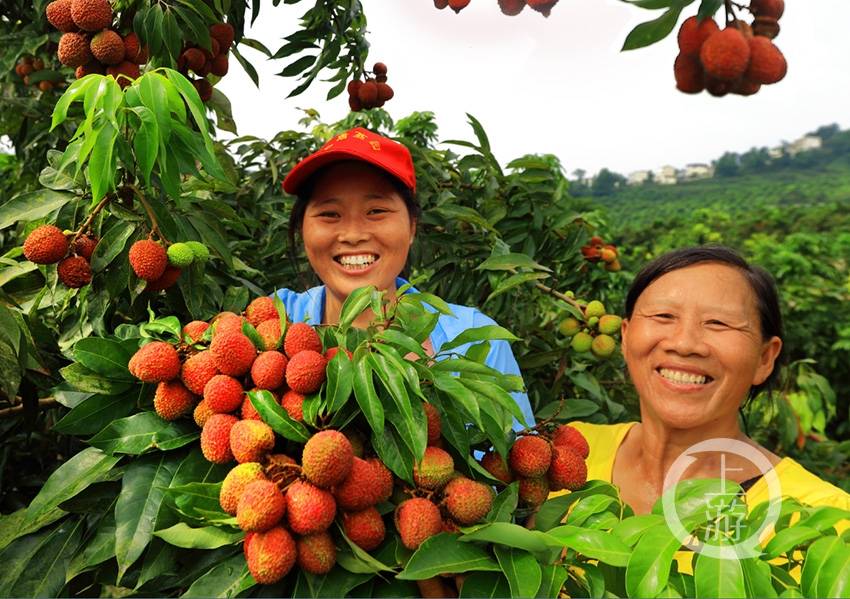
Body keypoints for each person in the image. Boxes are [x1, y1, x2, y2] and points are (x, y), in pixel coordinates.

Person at [565, 246, 849, 573]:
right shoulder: (569, 451)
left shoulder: (825, 522)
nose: (685, 343)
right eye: (663, 316)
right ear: (626, 339)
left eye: (718, 323)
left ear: (764, 358)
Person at [274, 127, 535, 427]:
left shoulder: (478, 341)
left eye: (376, 210)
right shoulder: (273, 321)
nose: (354, 235)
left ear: (412, 227)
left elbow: (514, 463)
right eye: (330, 214)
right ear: (302, 228)